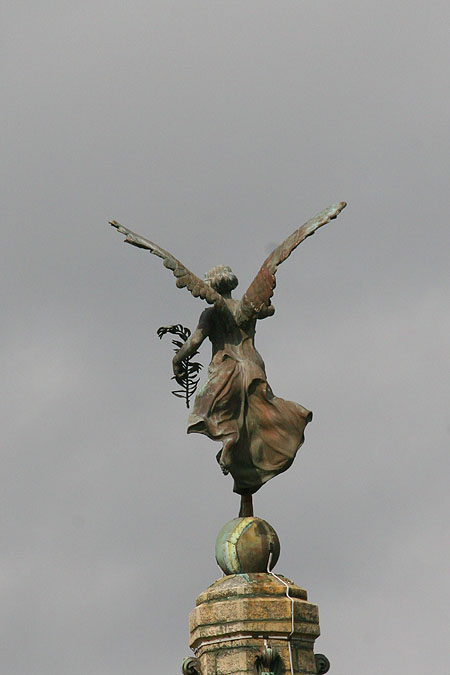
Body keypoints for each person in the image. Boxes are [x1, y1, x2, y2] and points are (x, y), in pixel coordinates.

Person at [172, 265, 312, 495]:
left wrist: (177, 359)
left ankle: (229, 438)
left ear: (210, 286)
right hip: (253, 367)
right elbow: (269, 310)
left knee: (209, 411)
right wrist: (261, 302)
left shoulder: (211, 313)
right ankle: (290, 421)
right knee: (258, 421)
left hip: (226, 368)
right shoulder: (246, 306)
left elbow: (195, 340)